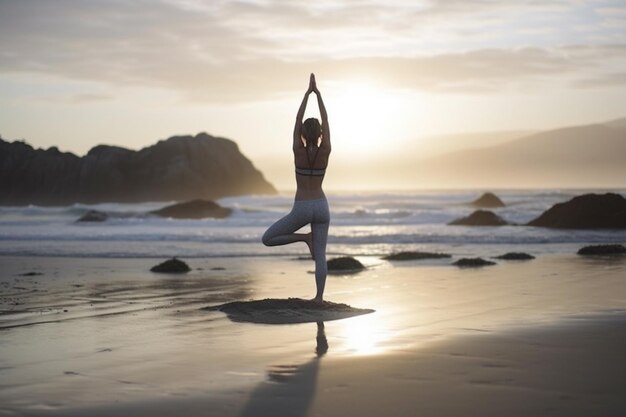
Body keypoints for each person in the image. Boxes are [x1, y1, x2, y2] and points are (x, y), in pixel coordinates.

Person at [262, 73, 331, 302]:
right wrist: (318, 95)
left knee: (268, 238)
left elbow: (296, 120)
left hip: (302, 207)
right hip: (321, 206)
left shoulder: (297, 150)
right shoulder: (326, 150)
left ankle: (304, 238)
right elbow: (327, 120)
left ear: (301, 134)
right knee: (320, 256)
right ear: (321, 133)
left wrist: (306, 95)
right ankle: (319, 298)